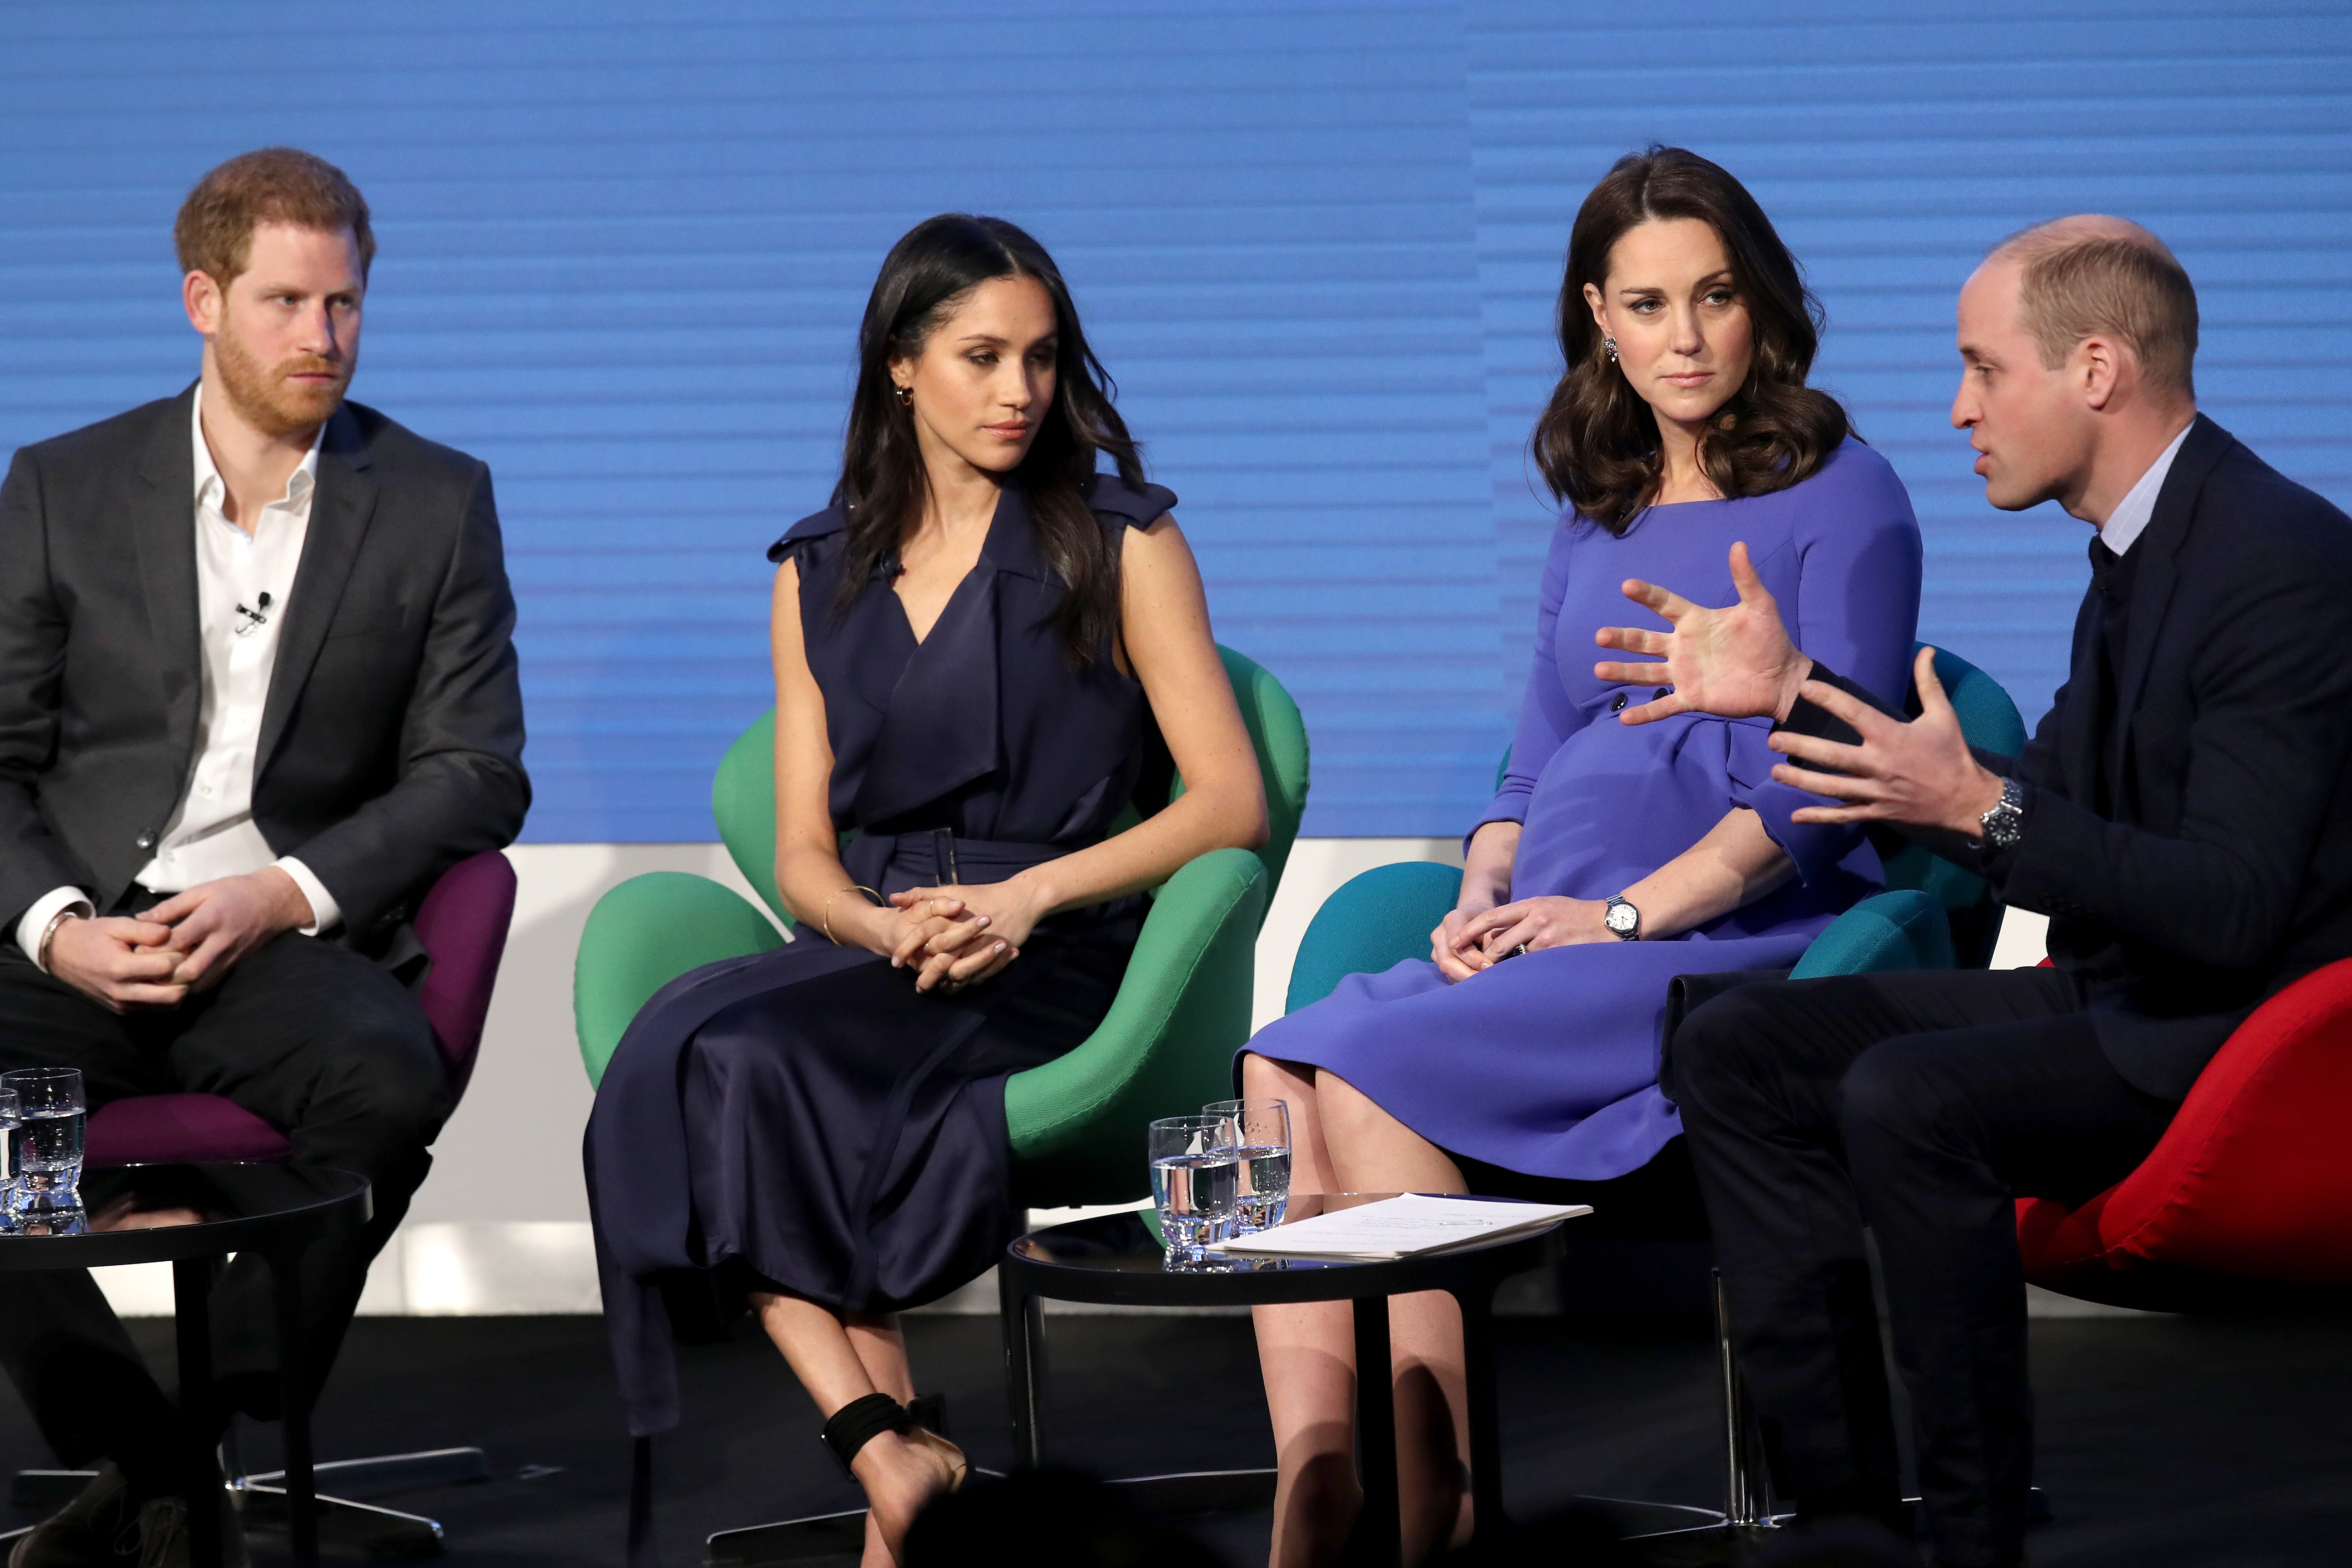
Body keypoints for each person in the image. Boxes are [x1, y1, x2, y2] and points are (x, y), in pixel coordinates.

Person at [1593, 217, 2352, 1568]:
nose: (1960, 409)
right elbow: (2036, 790)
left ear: (2099, 371)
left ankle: (1974, 1535)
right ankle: (1846, 1519)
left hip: (2235, 1036)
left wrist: (1983, 809)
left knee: (1908, 1095)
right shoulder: (2138, 551)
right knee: (1739, 1043)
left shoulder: (2278, 563)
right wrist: (1792, 695)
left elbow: (2233, 905)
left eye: (1983, 370)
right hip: (2134, 999)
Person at [1239, 147, 1923, 1565]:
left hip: (1725, 932)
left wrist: (1621, 916)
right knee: (1282, 1068)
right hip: (1562, 920)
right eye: (1650, 303)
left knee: (1368, 1071)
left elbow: (1831, 773)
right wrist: (1485, 893)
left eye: (1716, 296)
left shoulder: (1846, 493)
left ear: (1764, 304)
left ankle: (1442, 1516)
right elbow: (1534, 759)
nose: (1686, 336)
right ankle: (1321, 1481)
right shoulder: (1591, 514)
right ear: (1599, 319)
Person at [585, 214, 1268, 1568]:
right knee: (678, 1049)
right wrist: (879, 923)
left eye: (1041, 357)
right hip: (883, 941)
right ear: (902, 366)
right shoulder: (811, 574)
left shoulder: (1123, 543)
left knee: (751, 1061)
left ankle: (891, 1466)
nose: (1020, 389)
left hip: (1064, 948)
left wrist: (1029, 901)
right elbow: (800, 857)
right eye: (981, 356)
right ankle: (888, 1444)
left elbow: (1227, 802)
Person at [0, 147, 529, 1566]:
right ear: (202, 300)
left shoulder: (434, 497)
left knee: (386, 1074)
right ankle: (148, 1452)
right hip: (84, 935)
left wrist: (276, 893)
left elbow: (478, 769)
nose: (323, 338)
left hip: (279, 941)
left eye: (346, 303)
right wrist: (54, 922)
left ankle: (200, 1434)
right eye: (288, 303)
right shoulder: (60, 486)